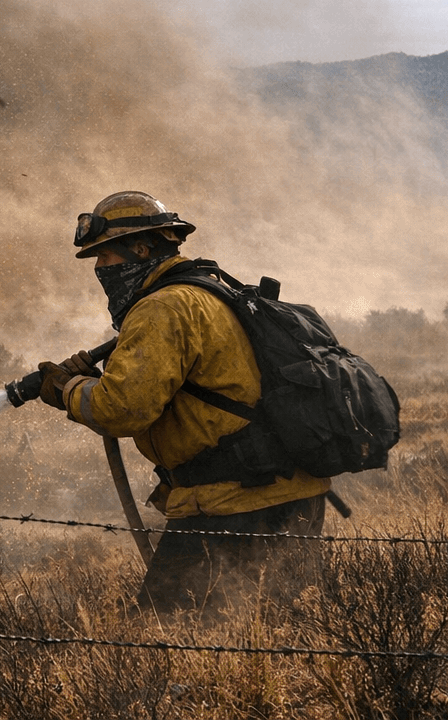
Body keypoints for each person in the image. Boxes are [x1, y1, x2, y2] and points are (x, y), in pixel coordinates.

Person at [36, 191, 329, 614]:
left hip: (234, 503)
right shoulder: (207, 289)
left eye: (104, 255)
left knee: (168, 630)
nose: (100, 268)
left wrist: (67, 390)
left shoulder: (163, 308)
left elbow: (122, 410)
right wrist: (94, 383)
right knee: (278, 624)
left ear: (140, 249)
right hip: (287, 491)